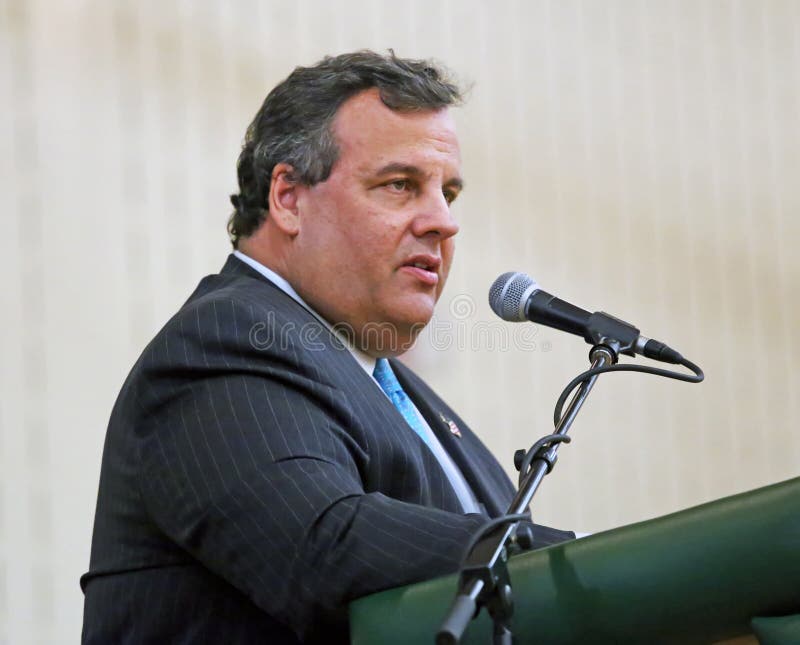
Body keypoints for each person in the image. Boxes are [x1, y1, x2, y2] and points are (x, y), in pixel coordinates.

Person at [81, 50, 573, 644]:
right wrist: (588, 567)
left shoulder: (396, 389)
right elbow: (324, 541)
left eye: (449, 192)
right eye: (400, 185)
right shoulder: (223, 341)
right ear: (288, 197)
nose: (444, 222)